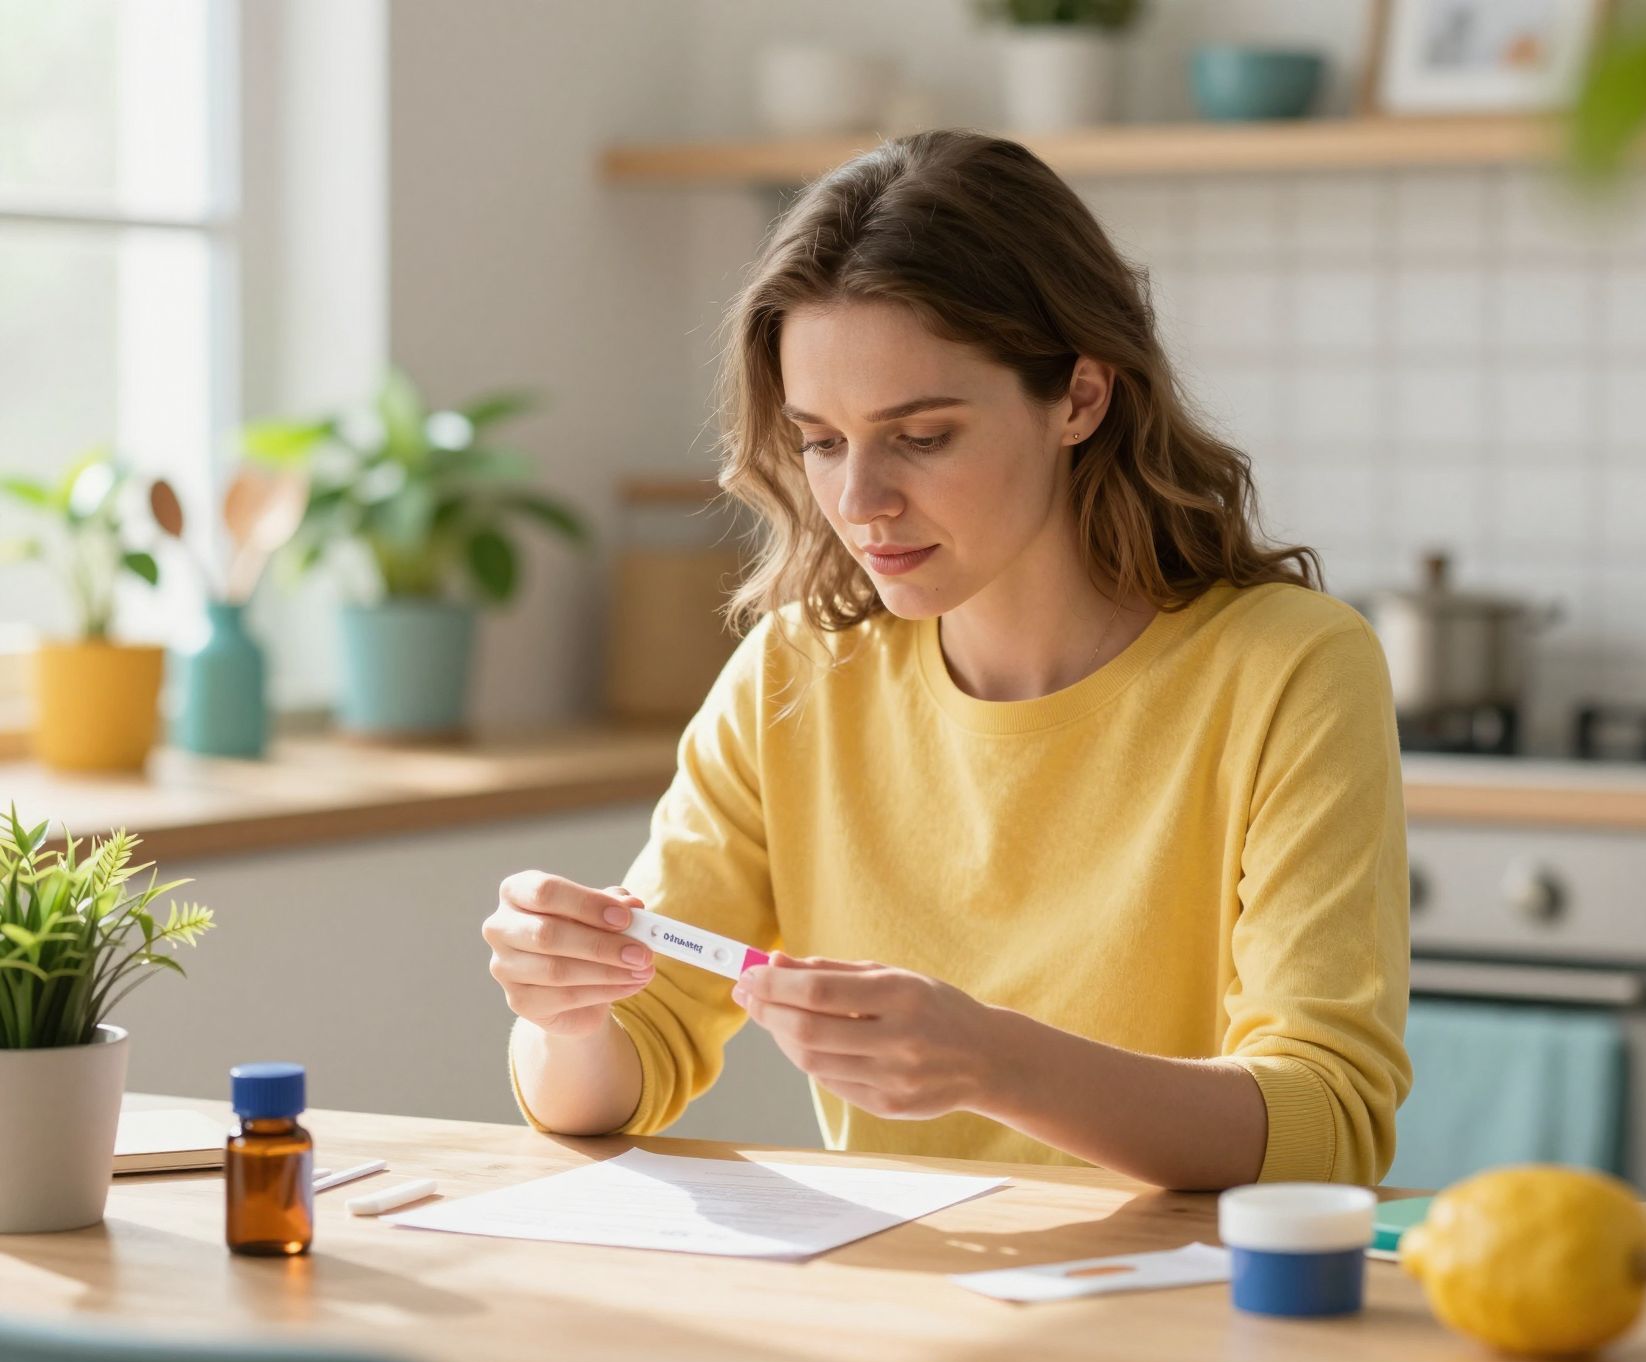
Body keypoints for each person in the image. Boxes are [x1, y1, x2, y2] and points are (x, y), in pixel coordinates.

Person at [482, 129, 1410, 1190]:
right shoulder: (795, 674)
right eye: (821, 441)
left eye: (920, 436)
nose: (859, 501)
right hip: (900, 1283)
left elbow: (1326, 1123)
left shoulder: (1290, 670)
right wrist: (566, 1013)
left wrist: (993, 1062)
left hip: (1189, 1288)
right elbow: (611, 1082)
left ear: (1080, 398)